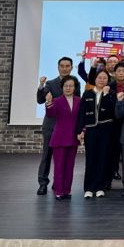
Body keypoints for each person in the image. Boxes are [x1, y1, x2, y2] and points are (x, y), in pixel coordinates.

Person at [36, 56, 81, 195]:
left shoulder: (75, 83)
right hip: (51, 126)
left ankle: (59, 184)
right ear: (58, 67)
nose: (64, 68)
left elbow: (77, 105)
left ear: (71, 68)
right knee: (47, 156)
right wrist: (41, 86)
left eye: (67, 66)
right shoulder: (50, 83)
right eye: (62, 66)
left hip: (67, 130)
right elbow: (40, 100)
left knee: (64, 160)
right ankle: (43, 183)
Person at [76, 70, 116, 198]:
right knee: (90, 158)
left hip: (106, 130)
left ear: (108, 80)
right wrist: (79, 130)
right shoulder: (87, 93)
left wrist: (106, 95)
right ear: (95, 79)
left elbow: (113, 110)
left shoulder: (111, 94)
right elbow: (81, 113)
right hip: (91, 130)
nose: (102, 80)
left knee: (103, 158)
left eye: (105, 78)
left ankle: (99, 187)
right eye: (100, 78)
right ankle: (88, 188)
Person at [44, 76, 82, 200]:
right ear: (62, 87)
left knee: (70, 167)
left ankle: (67, 190)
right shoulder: (57, 100)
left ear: (75, 87)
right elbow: (51, 114)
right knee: (59, 166)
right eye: (66, 86)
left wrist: (82, 131)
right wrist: (49, 103)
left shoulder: (79, 100)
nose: (68, 88)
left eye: (71, 86)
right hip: (59, 138)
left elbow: (82, 119)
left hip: (73, 138)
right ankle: (59, 191)